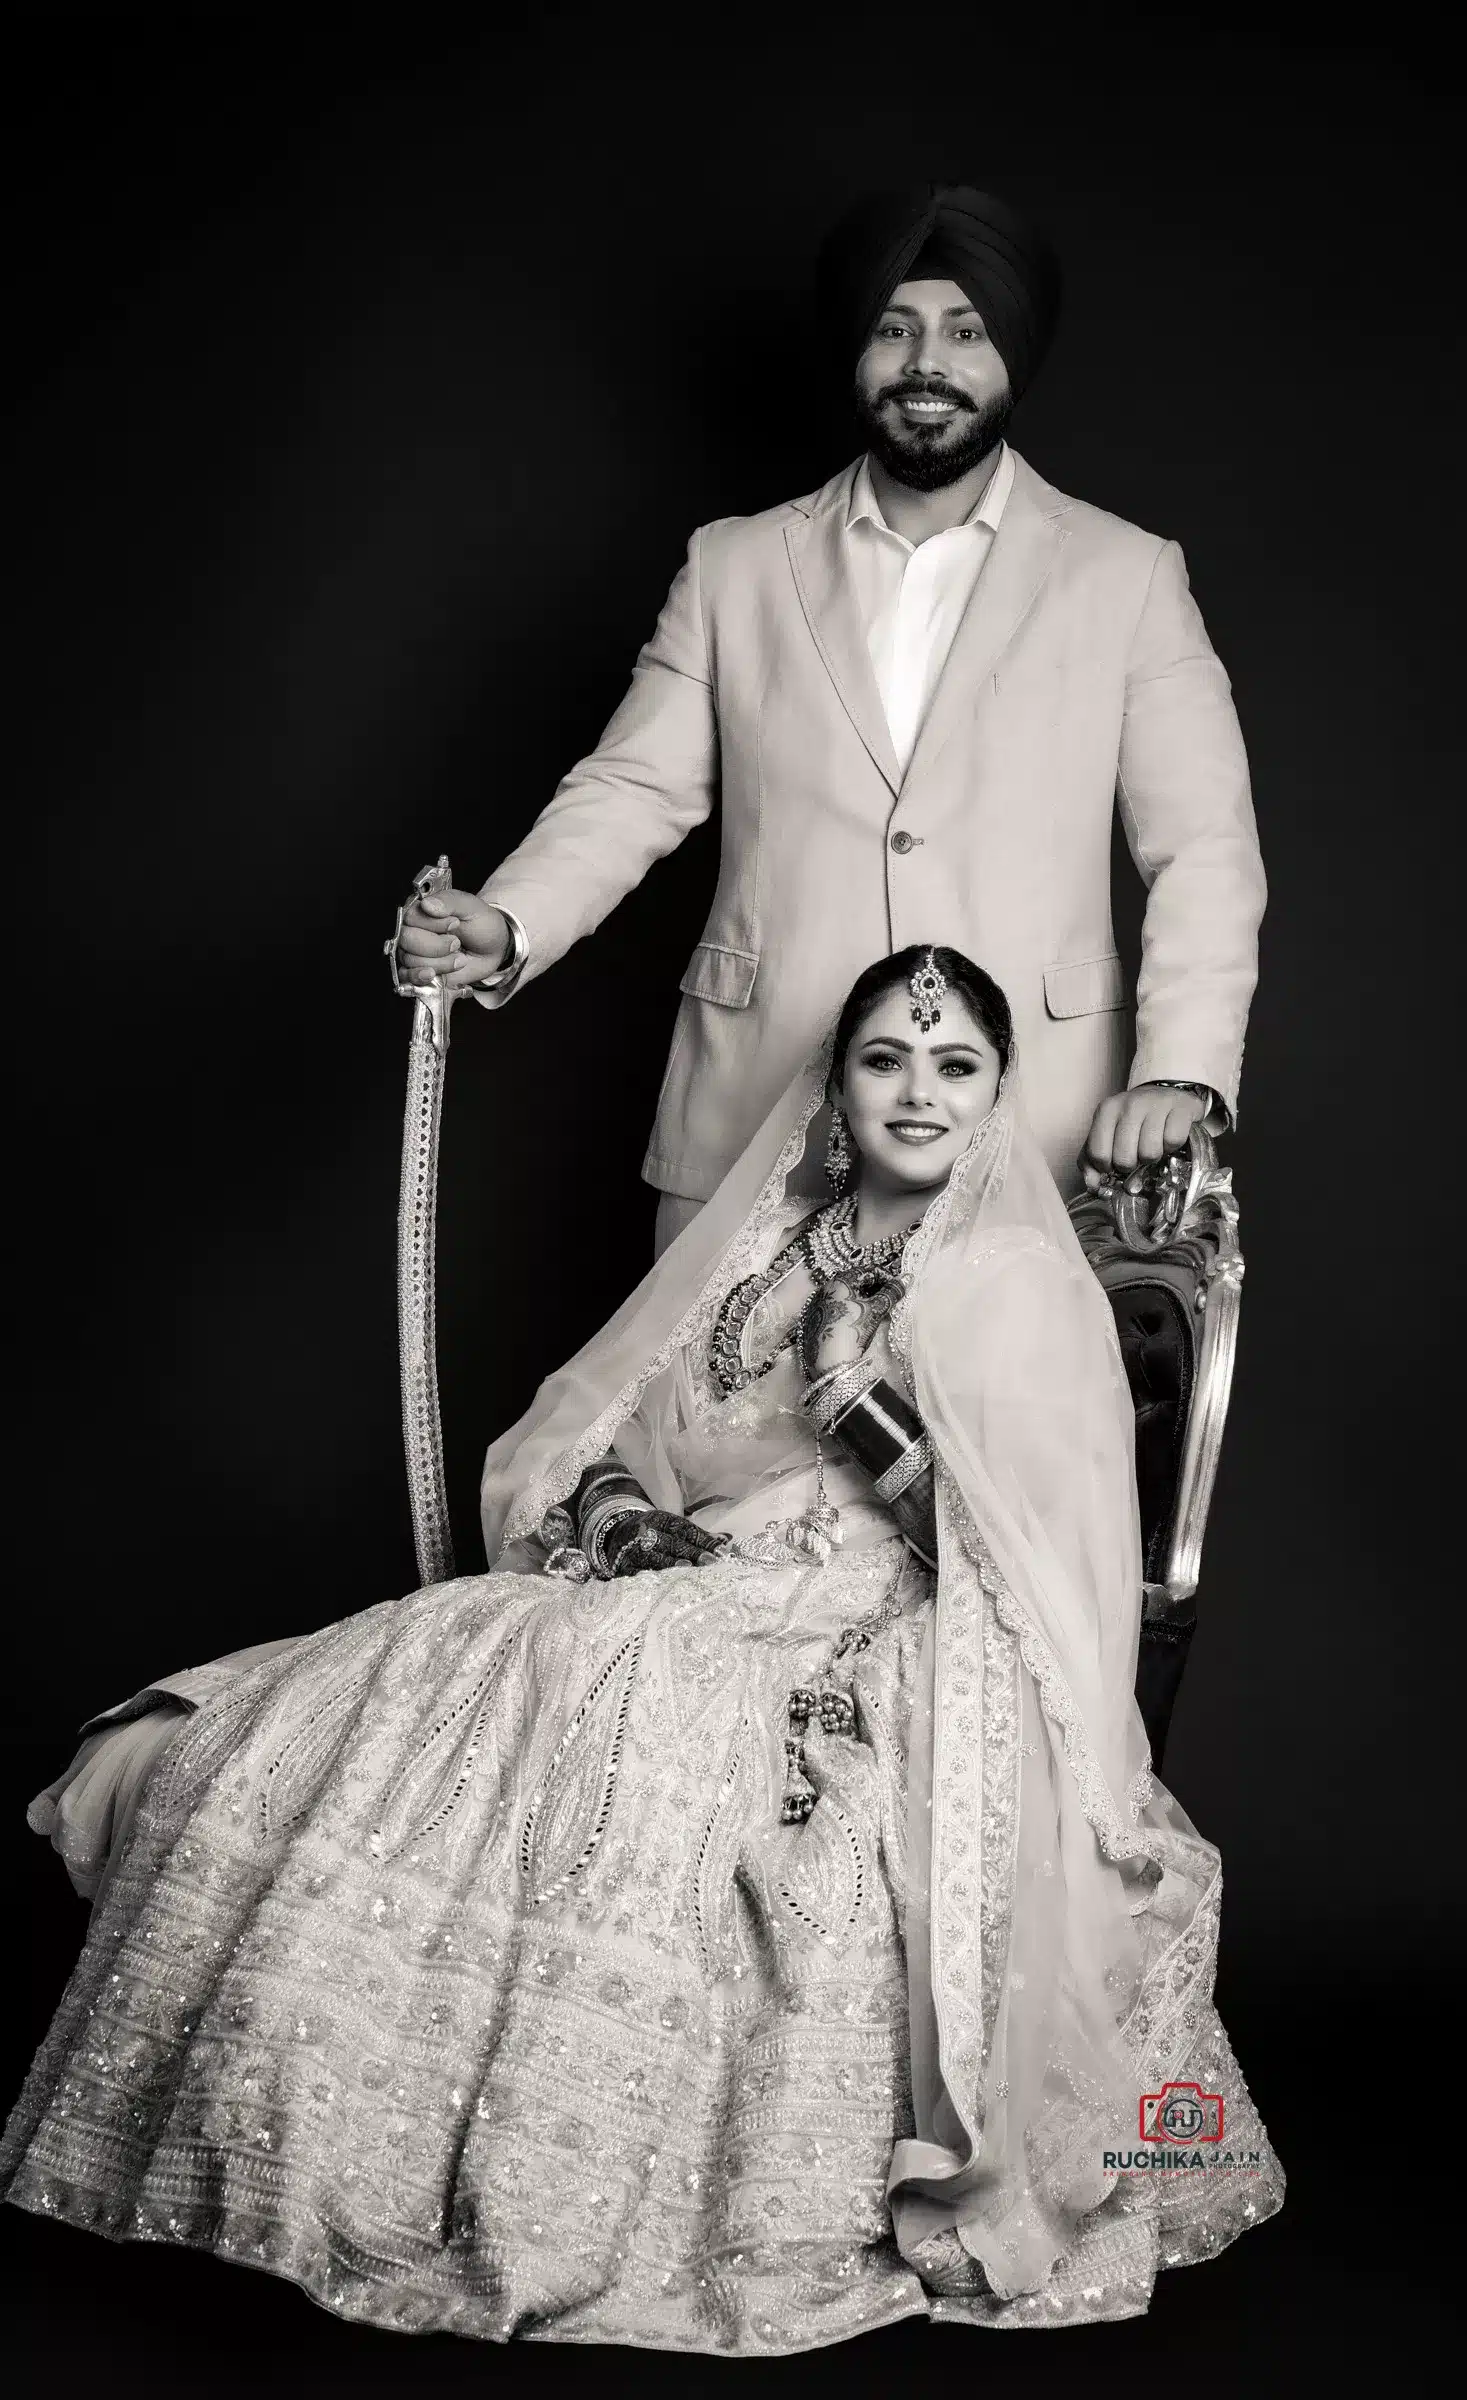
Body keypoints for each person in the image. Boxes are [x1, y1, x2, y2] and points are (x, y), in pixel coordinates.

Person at [4, 945, 1282, 2346]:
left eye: (954, 1064)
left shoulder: (1005, 1280)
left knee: (604, 1692)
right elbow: (621, 1422)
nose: (916, 1090)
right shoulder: (777, 1241)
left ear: (993, 1094)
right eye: (883, 1059)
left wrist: (860, 1404)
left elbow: (1024, 1565)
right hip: (695, 1579)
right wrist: (616, 1518)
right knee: (457, 1656)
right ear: (832, 1083)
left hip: (865, 1620)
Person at [391, 183, 1266, 1253]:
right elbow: (634, 787)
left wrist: (1179, 1072)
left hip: (1038, 1134)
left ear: (1013, 353)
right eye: (893, 330)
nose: (925, 364)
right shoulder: (735, 566)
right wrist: (511, 919)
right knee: (706, 1425)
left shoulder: (1128, 576)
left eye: (965, 330)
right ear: (856, 349)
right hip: (756, 1113)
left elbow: (1206, 852)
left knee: (991, 1427)